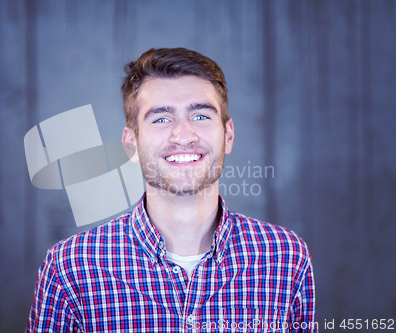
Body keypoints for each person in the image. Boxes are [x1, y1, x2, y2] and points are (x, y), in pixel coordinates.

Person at [26, 48, 317, 332]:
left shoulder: (285, 257)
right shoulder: (70, 269)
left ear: (228, 135)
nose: (183, 136)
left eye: (201, 116)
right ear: (131, 144)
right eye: (161, 119)